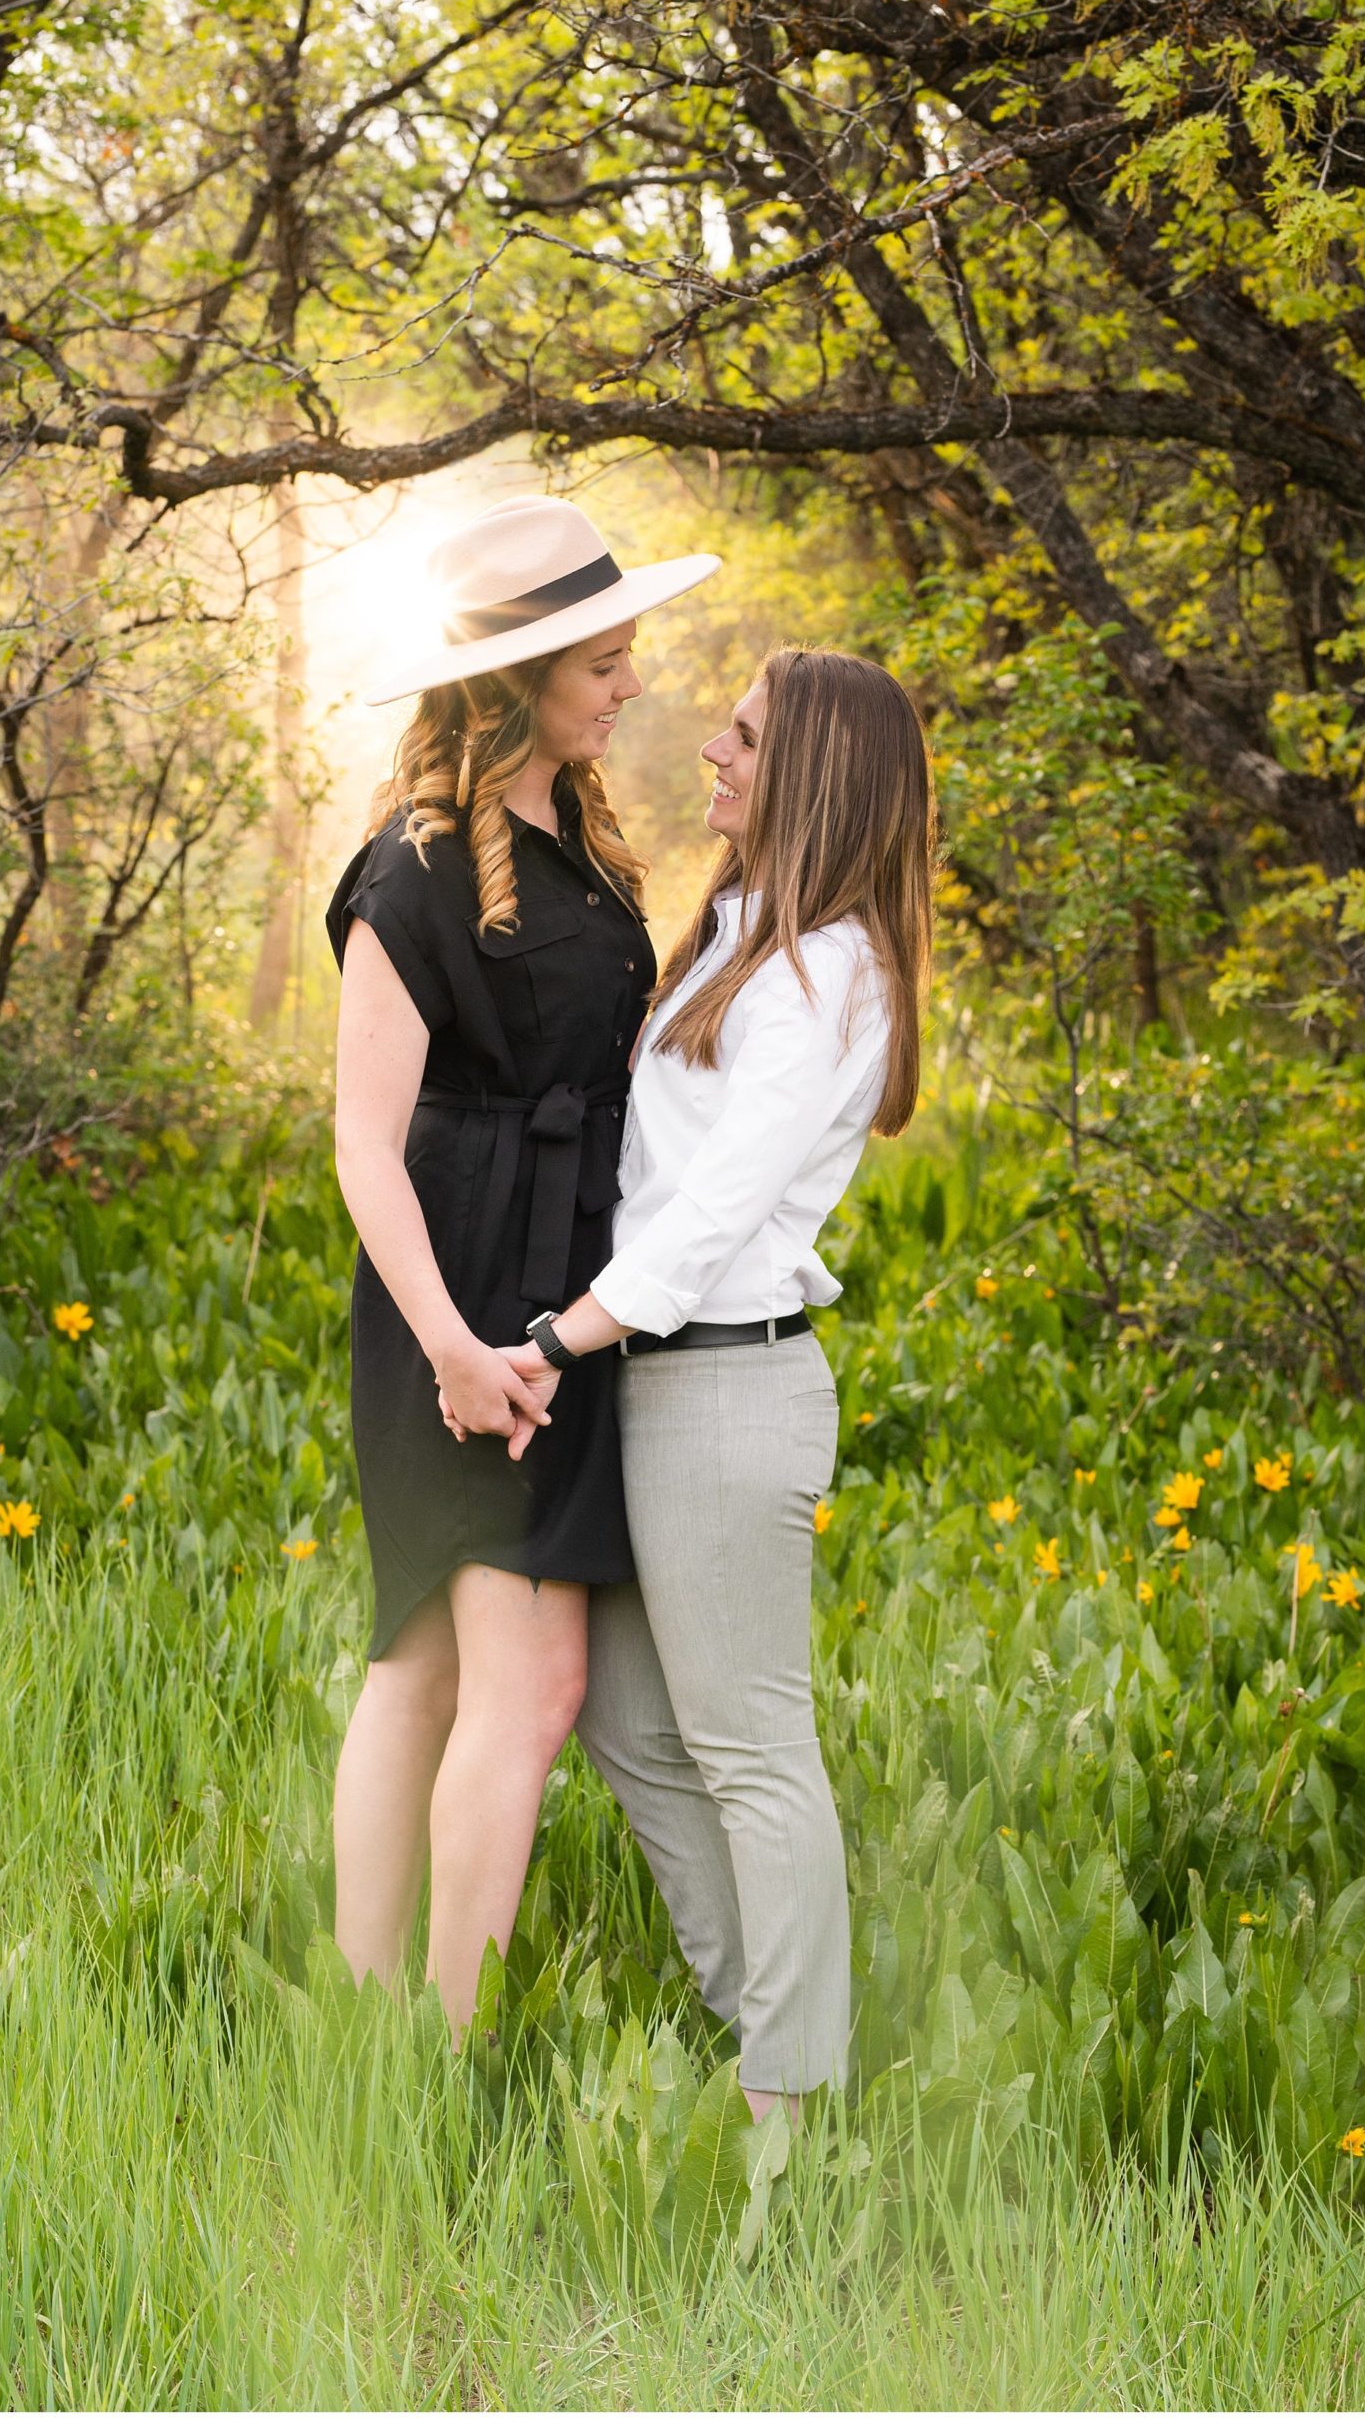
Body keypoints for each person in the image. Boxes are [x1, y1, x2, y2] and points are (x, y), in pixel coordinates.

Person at [460, 645, 936, 2114]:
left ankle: (789, 2106)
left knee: (752, 1751)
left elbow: (713, 1215)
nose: (713, 754)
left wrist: (548, 1342)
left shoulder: (829, 974)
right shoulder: (741, 930)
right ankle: (767, 2018)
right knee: (623, 1717)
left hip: (728, 1389)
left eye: (741, 738)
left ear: (813, 774)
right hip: (658, 1384)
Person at [323, 493, 721, 2032]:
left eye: (626, 655)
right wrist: (450, 1346)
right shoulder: (409, 869)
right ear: (514, 679)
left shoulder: (579, 837)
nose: (631, 684)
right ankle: (425, 2041)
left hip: (568, 1278)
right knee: (493, 1675)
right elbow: (369, 1145)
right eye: (603, 662)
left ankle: (389, 2035)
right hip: (465, 1287)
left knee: (431, 1660)